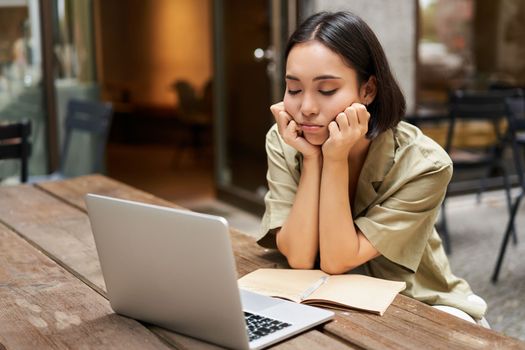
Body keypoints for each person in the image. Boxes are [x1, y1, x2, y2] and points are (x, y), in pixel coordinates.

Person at [256, 11, 489, 326]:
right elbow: (298, 257)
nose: (306, 108)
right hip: (329, 302)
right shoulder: (285, 140)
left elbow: (338, 259)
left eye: (326, 90)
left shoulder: (424, 164)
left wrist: (335, 159)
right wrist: (312, 160)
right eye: (294, 90)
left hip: (417, 306)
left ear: (367, 90)